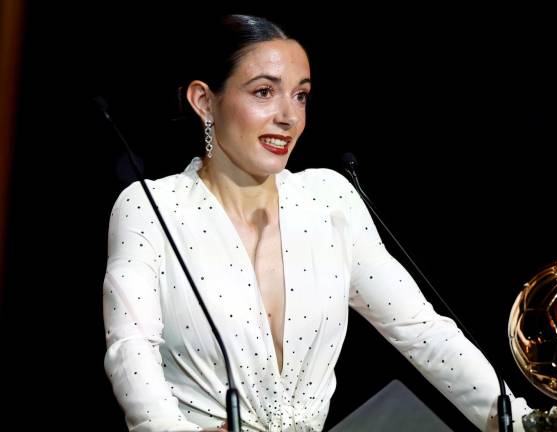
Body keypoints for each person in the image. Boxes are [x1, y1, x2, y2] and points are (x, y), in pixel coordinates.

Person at [103, 14, 531, 432]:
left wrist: (518, 419)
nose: (288, 116)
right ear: (204, 101)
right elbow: (131, 346)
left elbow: (423, 333)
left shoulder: (329, 200)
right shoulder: (150, 207)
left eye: (301, 95)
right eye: (264, 92)